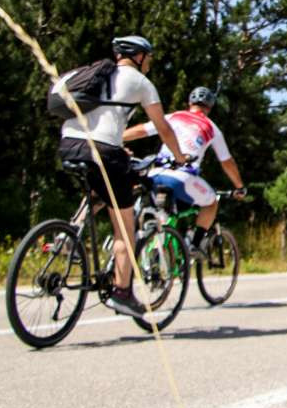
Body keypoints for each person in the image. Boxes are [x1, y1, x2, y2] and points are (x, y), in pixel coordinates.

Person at [58, 36, 190, 318]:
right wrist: (180, 157)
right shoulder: (140, 82)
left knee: (100, 188)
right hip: (105, 151)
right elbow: (162, 127)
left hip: (70, 143)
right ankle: (121, 291)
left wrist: (117, 146)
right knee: (125, 228)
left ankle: (70, 234)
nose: (151, 62)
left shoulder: (94, 73)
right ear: (139, 56)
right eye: (149, 56)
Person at [123, 86, 246, 260]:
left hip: (155, 173)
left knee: (162, 211)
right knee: (211, 203)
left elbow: (142, 130)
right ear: (210, 107)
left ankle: (149, 240)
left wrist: (117, 137)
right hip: (183, 177)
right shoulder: (211, 128)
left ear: (190, 103)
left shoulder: (174, 116)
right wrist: (239, 186)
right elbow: (227, 162)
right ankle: (193, 245)